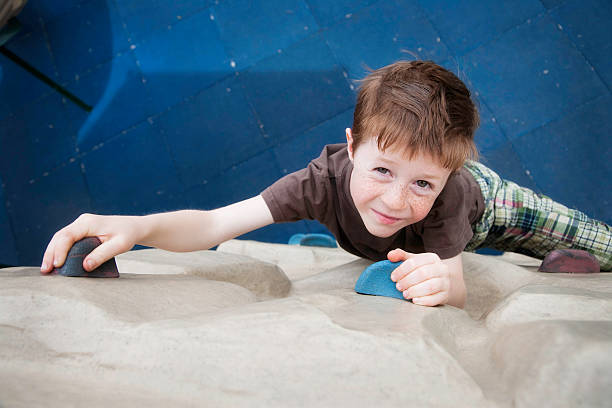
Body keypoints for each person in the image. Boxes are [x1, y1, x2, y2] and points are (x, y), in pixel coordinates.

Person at [40, 60, 612, 309]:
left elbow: (456, 287)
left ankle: (587, 257)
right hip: (449, 187)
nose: (394, 201)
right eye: (382, 171)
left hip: (491, 205)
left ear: (444, 176)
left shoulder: (447, 198)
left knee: (590, 240)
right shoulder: (319, 183)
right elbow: (216, 224)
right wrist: (139, 227)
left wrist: (442, 283)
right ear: (353, 146)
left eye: (420, 183)